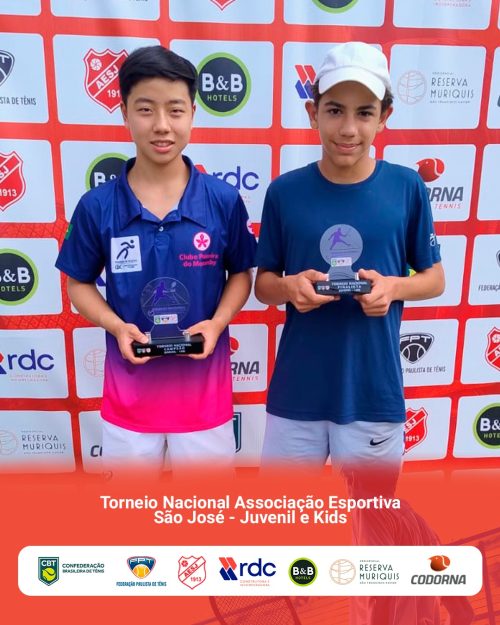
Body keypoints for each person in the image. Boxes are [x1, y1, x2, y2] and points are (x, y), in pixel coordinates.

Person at [56, 45, 256, 475]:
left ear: (193, 114)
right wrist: (116, 326)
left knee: (204, 516)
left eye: (175, 110)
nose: (162, 125)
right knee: (129, 517)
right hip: (129, 405)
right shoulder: (97, 205)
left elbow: (241, 273)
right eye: (146, 110)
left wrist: (217, 324)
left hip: (204, 404)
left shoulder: (222, 200)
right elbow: (78, 283)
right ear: (125, 113)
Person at [255, 41, 445, 476]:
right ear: (313, 113)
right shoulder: (284, 191)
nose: (348, 129)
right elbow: (263, 284)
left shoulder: (407, 187)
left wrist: (393, 287)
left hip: (373, 391)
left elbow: (435, 278)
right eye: (335, 110)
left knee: (370, 516)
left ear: (384, 117)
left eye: (364, 113)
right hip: (297, 392)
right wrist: (289, 287)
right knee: (284, 515)